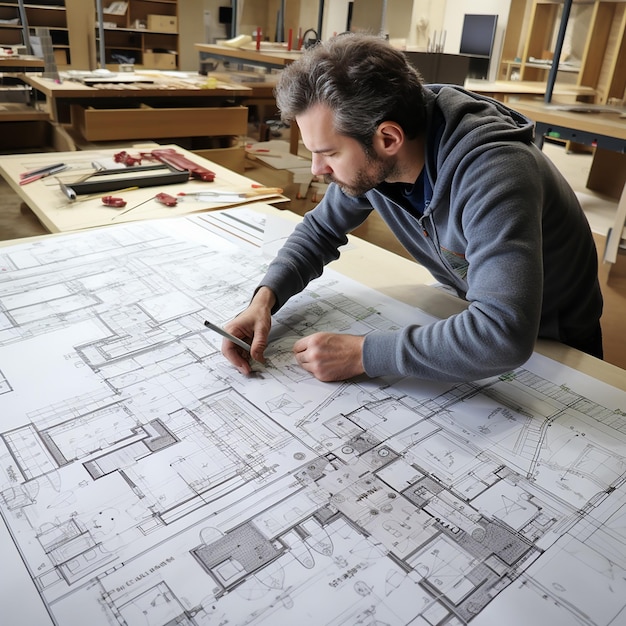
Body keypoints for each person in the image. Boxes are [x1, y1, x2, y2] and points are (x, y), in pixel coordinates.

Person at [221, 32, 603, 383]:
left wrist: (363, 354)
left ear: (388, 138)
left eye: (330, 153)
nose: (318, 171)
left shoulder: (495, 171)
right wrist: (266, 299)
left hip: (555, 344)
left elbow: (502, 334)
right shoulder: (375, 159)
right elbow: (320, 231)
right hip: (474, 310)